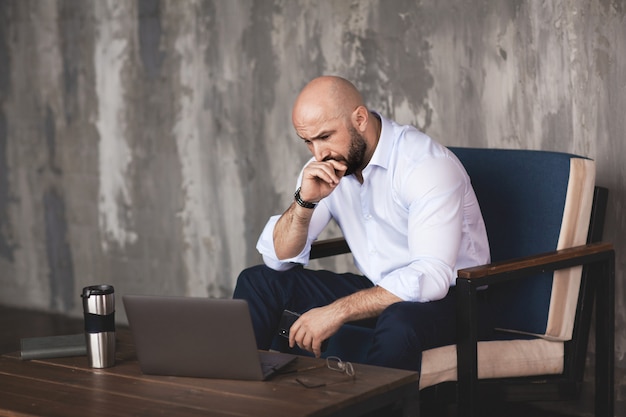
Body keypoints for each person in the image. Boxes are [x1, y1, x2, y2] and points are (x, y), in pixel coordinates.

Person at [233, 75, 491, 372]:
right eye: (308, 142)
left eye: (326, 137)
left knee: (399, 323)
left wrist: (337, 311)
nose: (318, 154)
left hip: (456, 301)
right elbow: (276, 259)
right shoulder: (325, 168)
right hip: (380, 288)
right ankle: (240, 395)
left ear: (359, 119)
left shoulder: (425, 165)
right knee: (259, 282)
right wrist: (305, 203)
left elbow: (430, 277)